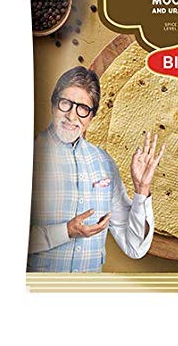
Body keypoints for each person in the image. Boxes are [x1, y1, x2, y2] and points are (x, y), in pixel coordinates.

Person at [27, 66, 164, 272]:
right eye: (65, 103)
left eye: (83, 109)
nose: (72, 116)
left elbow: (134, 246)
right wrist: (66, 231)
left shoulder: (104, 162)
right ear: (53, 104)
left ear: (91, 117)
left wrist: (142, 189)